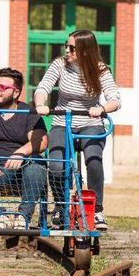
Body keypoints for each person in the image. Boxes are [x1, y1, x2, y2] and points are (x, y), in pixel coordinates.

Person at [33, 29, 121, 231]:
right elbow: (43, 87)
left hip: (90, 123)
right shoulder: (60, 65)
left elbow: (115, 99)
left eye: (71, 48)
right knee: (56, 164)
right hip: (63, 122)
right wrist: (40, 104)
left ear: (84, 50)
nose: (67, 50)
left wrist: (101, 109)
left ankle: (96, 209)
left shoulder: (100, 70)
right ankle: (60, 207)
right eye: (66, 46)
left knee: (94, 160)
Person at [0, 67, 47, 228]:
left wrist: (20, 153)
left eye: (3, 88)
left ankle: (23, 216)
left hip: (19, 172)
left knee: (37, 164)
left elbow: (41, 142)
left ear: (16, 93)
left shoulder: (29, 112)